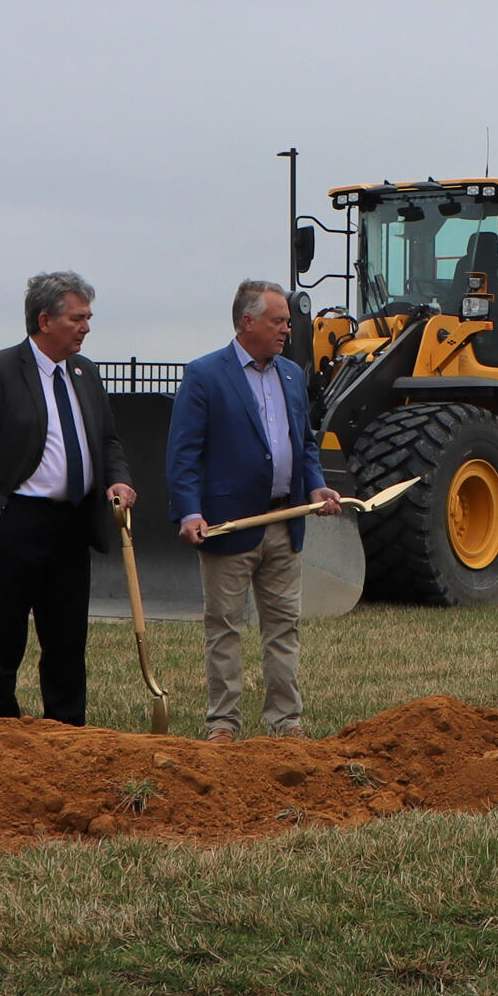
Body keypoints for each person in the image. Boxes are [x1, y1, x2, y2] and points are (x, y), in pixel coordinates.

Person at [0, 272, 137, 725]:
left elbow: (108, 441)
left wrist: (117, 479)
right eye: (78, 317)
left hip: (72, 524)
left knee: (68, 639)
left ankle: (67, 730)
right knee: (3, 637)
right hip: (16, 521)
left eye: (88, 317)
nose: (86, 327)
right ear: (45, 319)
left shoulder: (84, 372)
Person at [166, 280, 340, 742]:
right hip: (229, 527)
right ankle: (223, 724)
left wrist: (317, 487)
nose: (287, 329)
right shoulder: (205, 375)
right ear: (248, 322)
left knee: (283, 627)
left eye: (287, 321)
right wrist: (189, 513)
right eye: (278, 321)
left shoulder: (292, 375)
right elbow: (184, 453)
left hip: (285, 523)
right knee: (224, 627)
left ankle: (286, 722)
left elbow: (303, 443)